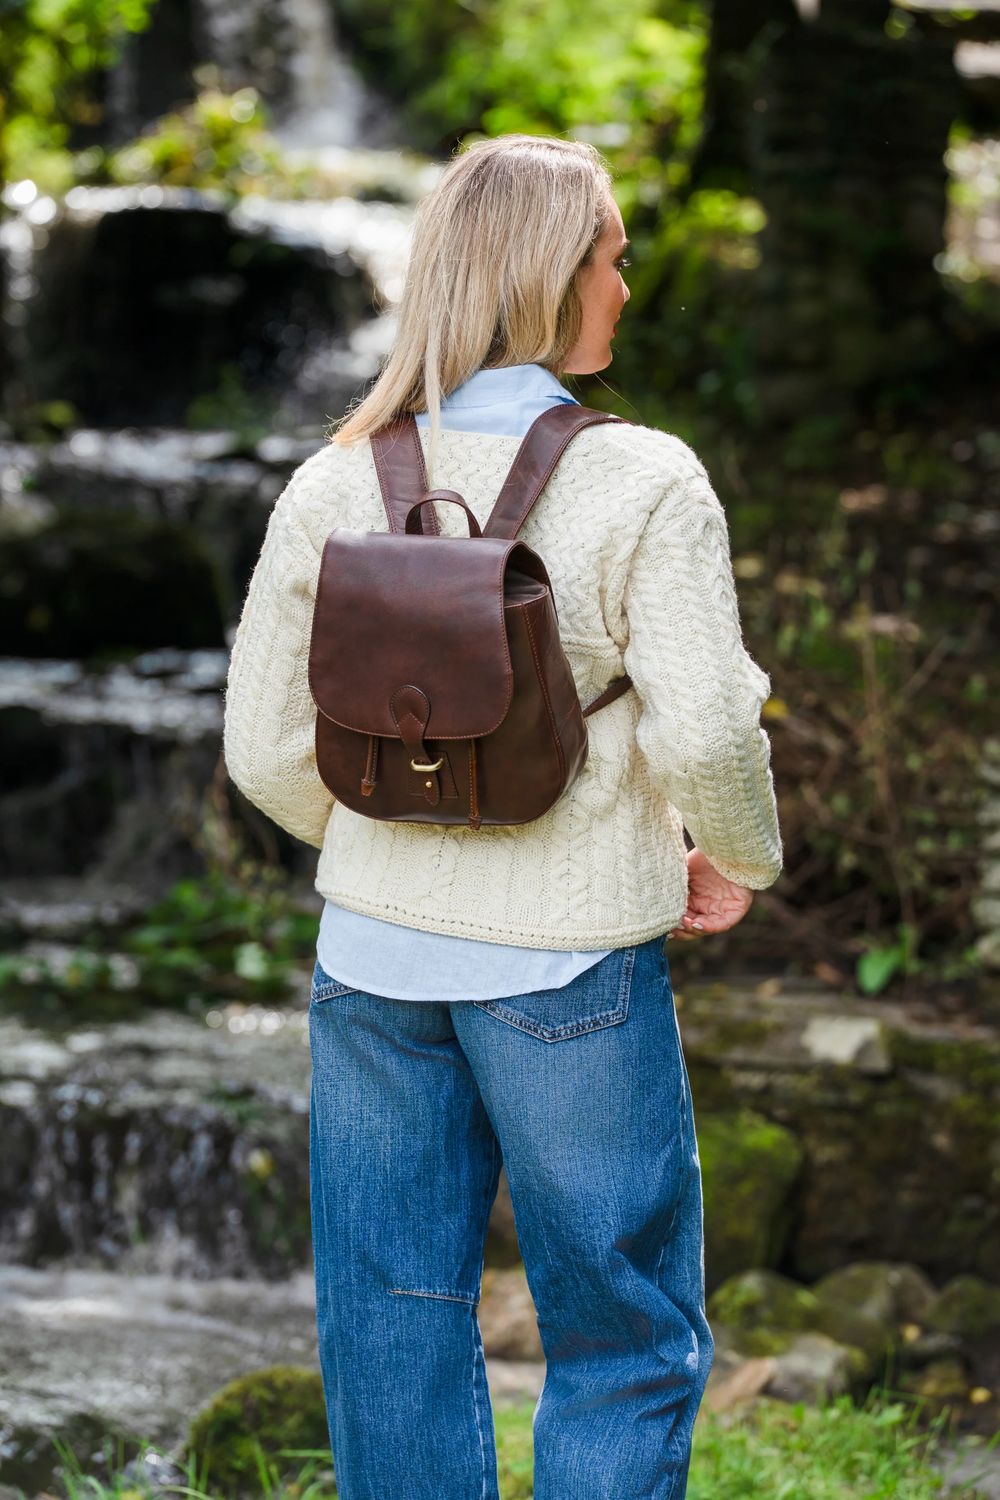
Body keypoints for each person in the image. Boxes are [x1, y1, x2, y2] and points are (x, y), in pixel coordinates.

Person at [223, 132, 783, 1500]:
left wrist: (382, 839)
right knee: (622, 1331)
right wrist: (737, 858)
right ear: (544, 273)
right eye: (611, 258)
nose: (626, 289)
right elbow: (707, 725)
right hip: (570, 962)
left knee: (390, 1325)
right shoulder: (646, 479)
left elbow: (261, 749)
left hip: (370, 963)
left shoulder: (336, 477)